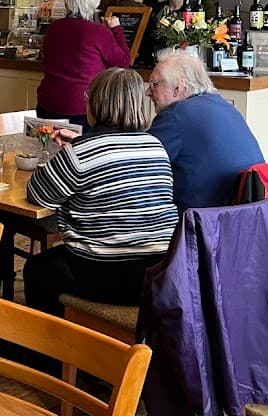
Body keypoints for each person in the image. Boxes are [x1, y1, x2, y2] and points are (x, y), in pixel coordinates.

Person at [23, 68, 179, 317]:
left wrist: (66, 155)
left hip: (105, 272)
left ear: (96, 105)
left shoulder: (82, 152)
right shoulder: (155, 146)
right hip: (160, 271)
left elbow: (38, 195)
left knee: (36, 269)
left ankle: (45, 350)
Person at [147, 50, 264, 210]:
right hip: (243, 220)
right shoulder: (224, 106)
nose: (148, 92)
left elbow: (139, 167)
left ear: (177, 88)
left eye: (154, 84)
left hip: (202, 224)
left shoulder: (175, 115)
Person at [35, 0, 131, 128]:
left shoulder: (54, 28)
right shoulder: (98, 32)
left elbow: (45, 57)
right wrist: (116, 29)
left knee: (48, 148)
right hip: (82, 107)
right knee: (81, 149)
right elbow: (124, 61)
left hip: (48, 103)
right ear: (93, 4)